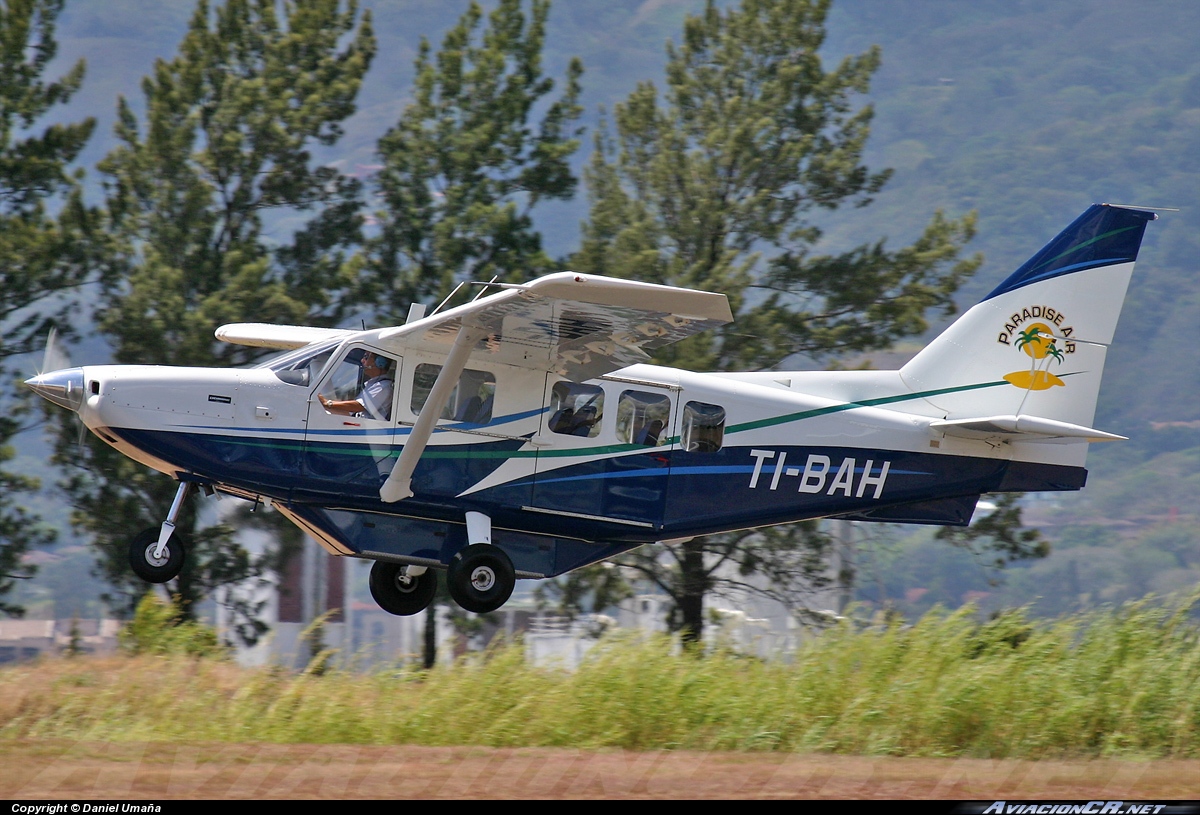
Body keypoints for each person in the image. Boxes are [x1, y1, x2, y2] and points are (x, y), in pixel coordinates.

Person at [318, 352, 394, 420]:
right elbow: (352, 413)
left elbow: (358, 406)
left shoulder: (383, 386)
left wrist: (327, 403)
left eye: (366, 357)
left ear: (380, 362)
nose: (362, 360)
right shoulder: (372, 385)